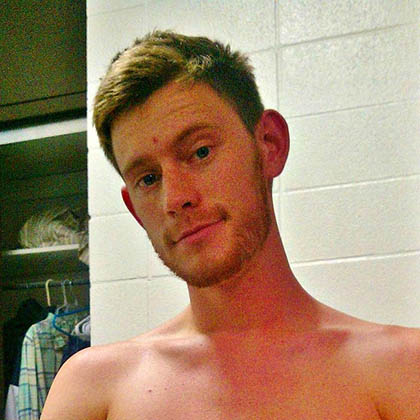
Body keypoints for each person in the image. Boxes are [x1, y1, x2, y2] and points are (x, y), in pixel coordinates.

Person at [41, 30, 420, 419]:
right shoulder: (91, 390)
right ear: (135, 209)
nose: (175, 199)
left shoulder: (404, 371)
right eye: (149, 179)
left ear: (269, 144)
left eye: (200, 152)